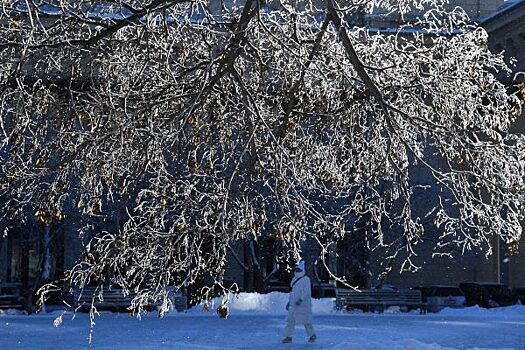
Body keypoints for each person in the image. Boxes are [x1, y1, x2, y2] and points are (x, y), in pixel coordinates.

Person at [282, 260, 316, 344]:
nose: (297, 271)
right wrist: (289, 302)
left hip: (303, 305)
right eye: (296, 270)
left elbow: (306, 291)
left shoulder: (306, 279)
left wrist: (301, 299)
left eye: (298, 270)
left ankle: (312, 335)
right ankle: (288, 336)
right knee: (291, 320)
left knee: (306, 321)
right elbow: (292, 293)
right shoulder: (294, 279)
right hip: (294, 304)